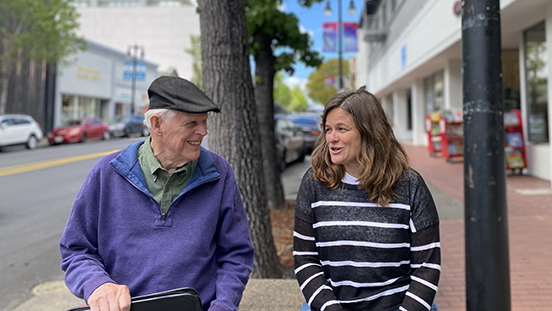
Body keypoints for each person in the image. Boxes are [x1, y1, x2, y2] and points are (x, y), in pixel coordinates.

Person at [60, 76, 254, 311]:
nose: (203, 131)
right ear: (156, 125)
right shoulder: (107, 173)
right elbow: (76, 250)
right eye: (191, 123)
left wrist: (223, 305)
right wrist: (97, 285)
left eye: (204, 122)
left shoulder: (219, 173)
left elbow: (236, 254)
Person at [293, 88, 440, 311]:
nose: (331, 138)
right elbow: (305, 258)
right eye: (328, 129)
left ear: (369, 132)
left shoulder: (410, 186)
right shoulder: (314, 183)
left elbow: (427, 266)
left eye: (342, 129)